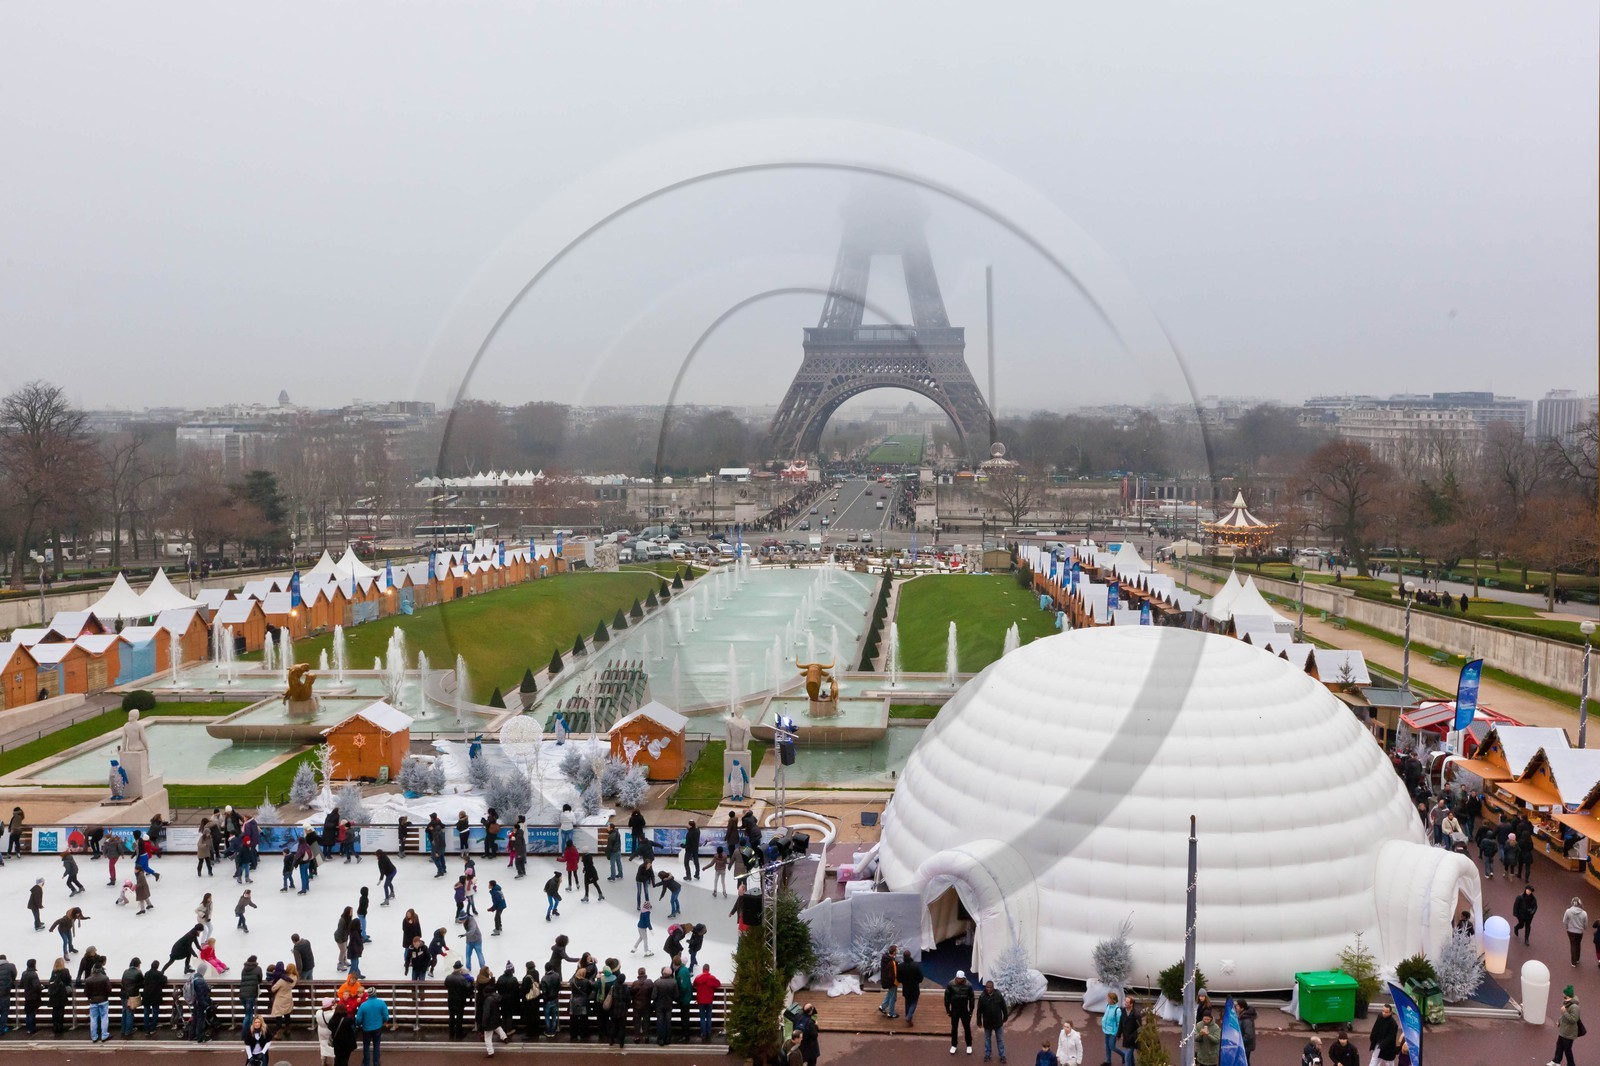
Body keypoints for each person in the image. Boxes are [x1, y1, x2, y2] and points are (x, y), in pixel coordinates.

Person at [477, 966, 508, 1056]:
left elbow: (486, 1013)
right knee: (497, 1026)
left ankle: (490, 1052)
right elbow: (493, 987)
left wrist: (483, 1024)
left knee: (488, 1036)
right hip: (495, 1016)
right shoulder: (495, 997)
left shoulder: (486, 999)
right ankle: (504, 1037)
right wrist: (492, 978)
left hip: (488, 1018)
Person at [355, 987, 388, 1066]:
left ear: (368, 995)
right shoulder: (381, 1003)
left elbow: (358, 1019)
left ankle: (366, 1063)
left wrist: (359, 1024)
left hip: (366, 1028)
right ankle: (376, 1062)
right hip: (377, 1027)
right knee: (376, 1045)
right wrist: (381, 1022)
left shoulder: (363, 1005)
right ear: (375, 994)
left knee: (366, 1046)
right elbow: (386, 1017)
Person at [978, 979, 1008, 1063]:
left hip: (998, 1022)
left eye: (990, 987)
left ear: (993, 987)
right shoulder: (982, 996)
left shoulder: (998, 995)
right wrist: (979, 1021)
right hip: (987, 1023)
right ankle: (987, 1054)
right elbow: (979, 1010)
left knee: (1000, 1040)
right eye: (987, 987)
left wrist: (1005, 1017)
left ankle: (1002, 1056)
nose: (988, 989)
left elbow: (1003, 1007)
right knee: (987, 1039)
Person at [946, 970, 975, 1055]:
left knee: (967, 1028)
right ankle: (954, 1045)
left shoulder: (968, 985)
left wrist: (971, 1010)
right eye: (958, 978)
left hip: (964, 1010)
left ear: (963, 978)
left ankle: (969, 1045)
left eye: (961, 978)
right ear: (956, 977)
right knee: (954, 1028)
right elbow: (947, 998)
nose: (959, 980)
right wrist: (948, 1010)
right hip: (954, 1010)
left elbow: (972, 998)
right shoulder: (950, 984)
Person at [266, 962, 297, 1038]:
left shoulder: (282, 980)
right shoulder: (294, 978)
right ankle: (287, 1028)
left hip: (280, 998)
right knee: (287, 1013)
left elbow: (273, 989)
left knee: (278, 1015)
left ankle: (279, 1032)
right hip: (288, 997)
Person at [692, 963, 721, 1041]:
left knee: (702, 1018)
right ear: (708, 969)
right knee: (708, 1017)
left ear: (703, 969)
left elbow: (694, 984)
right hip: (709, 1000)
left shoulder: (698, 978)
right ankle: (708, 1032)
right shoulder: (711, 978)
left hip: (701, 1001)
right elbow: (718, 984)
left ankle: (703, 1033)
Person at [84, 962, 112, 1042]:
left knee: (93, 1019)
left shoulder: (88, 980)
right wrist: (106, 996)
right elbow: (109, 990)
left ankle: (94, 1036)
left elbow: (86, 992)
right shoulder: (105, 978)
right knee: (104, 1018)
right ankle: (104, 1035)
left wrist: (90, 997)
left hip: (93, 1001)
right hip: (103, 1000)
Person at [1555, 985, 1582, 1066]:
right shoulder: (1568, 1003)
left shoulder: (1574, 1007)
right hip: (1564, 1030)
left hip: (1569, 1032)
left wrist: (1564, 1012)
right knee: (1559, 1045)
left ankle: (1571, 1064)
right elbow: (1564, 1016)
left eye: (1564, 996)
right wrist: (1559, 1020)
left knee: (1567, 1049)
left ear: (1568, 996)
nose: (1563, 998)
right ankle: (1556, 1061)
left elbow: (1573, 1020)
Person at [238, 955, 263, 1038]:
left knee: (249, 1013)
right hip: (251, 995)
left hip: (242, 995)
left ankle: (252, 1031)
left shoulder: (243, 969)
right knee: (248, 1015)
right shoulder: (258, 969)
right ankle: (245, 1034)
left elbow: (242, 979)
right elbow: (260, 979)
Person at [651, 965, 677, 1045]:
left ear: (663, 973)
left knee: (660, 1021)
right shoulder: (674, 982)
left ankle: (661, 1039)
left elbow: (653, 996)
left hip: (659, 1005)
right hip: (669, 1005)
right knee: (668, 1021)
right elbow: (676, 995)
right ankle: (668, 1038)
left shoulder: (657, 982)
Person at [899, 949, 923, 1026]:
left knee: (907, 1001)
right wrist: (917, 981)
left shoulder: (900, 966)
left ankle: (907, 1016)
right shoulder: (916, 965)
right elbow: (920, 977)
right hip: (914, 987)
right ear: (910, 956)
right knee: (914, 1002)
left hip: (906, 987)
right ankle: (909, 1016)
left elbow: (898, 978)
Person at [1101, 990, 1125, 1066]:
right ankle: (1108, 1061)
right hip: (1106, 1030)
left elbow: (1119, 1023)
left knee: (1112, 1046)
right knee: (1107, 1046)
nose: (1107, 1000)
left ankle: (1123, 1055)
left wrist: (1118, 1034)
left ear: (1113, 1000)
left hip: (1113, 1032)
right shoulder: (1108, 1006)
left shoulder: (1117, 1010)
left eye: (1108, 999)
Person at [1566, 897, 1591, 967]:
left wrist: (1567, 927)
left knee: (1573, 945)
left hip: (1570, 931)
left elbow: (1564, 921)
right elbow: (1586, 924)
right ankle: (1577, 959)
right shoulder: (1584, 913)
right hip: (1579, 932)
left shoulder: (1568, 911)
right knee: (1578, 944)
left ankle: (1573, 962)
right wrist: (1584, 928)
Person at [47, 958, 70, 1035]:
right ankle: (60, 1026)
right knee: (61, 1010)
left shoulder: (54, 972)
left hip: (53, 994)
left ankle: (55, 1026)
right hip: (61, 993)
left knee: (55, 1010)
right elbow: (68, 981)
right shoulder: (65, 971)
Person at [313, 996, 336, 1065]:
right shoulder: (332, 1014)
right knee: (332, 1047)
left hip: (321, 1031)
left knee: (322, 1045)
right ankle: (333, 1063)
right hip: (330, 1031)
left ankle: (323, 1061)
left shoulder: (318, 1013)